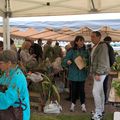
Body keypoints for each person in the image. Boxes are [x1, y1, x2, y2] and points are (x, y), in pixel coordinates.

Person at [62, 35, 89, 112]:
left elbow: (89, 62)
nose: (82, 42)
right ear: (76, 42)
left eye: (83, 40)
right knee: (73, 90)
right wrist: (67, 61)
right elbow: (65, 60)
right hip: (73, 75)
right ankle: (72, 105)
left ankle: (83, 105)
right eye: (80, 41)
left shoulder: (86, 51)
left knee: (82, 90)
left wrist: (86, 63)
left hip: (82, 75)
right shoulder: (71, 51)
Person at [0, 50, 30, 120]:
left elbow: (7, 99)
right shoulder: (7, 73)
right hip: (8, 111)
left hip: (17, 113)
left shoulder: (17, 77)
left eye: (1, 63)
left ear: (9, 63)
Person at [90, 31, 110, 120]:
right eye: (91, 37)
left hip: (100, 72)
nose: (91, 38)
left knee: (95, 92)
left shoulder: (102, 46)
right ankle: (101, 110)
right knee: (100, 92)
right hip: (98, 72)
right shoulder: (96, 46)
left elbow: (103, 60)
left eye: (93, 37)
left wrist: (98, 72)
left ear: (99, 37)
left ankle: (98, 113)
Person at [103, 36, 115, 104]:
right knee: (105, 84)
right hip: (106, 68)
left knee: (99, 84)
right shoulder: (109, 47)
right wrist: (110, 66)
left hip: (98, 68)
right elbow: (112, 59)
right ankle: (104, 99)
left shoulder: (99, 46)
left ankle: (100, 98)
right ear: (109, 41)